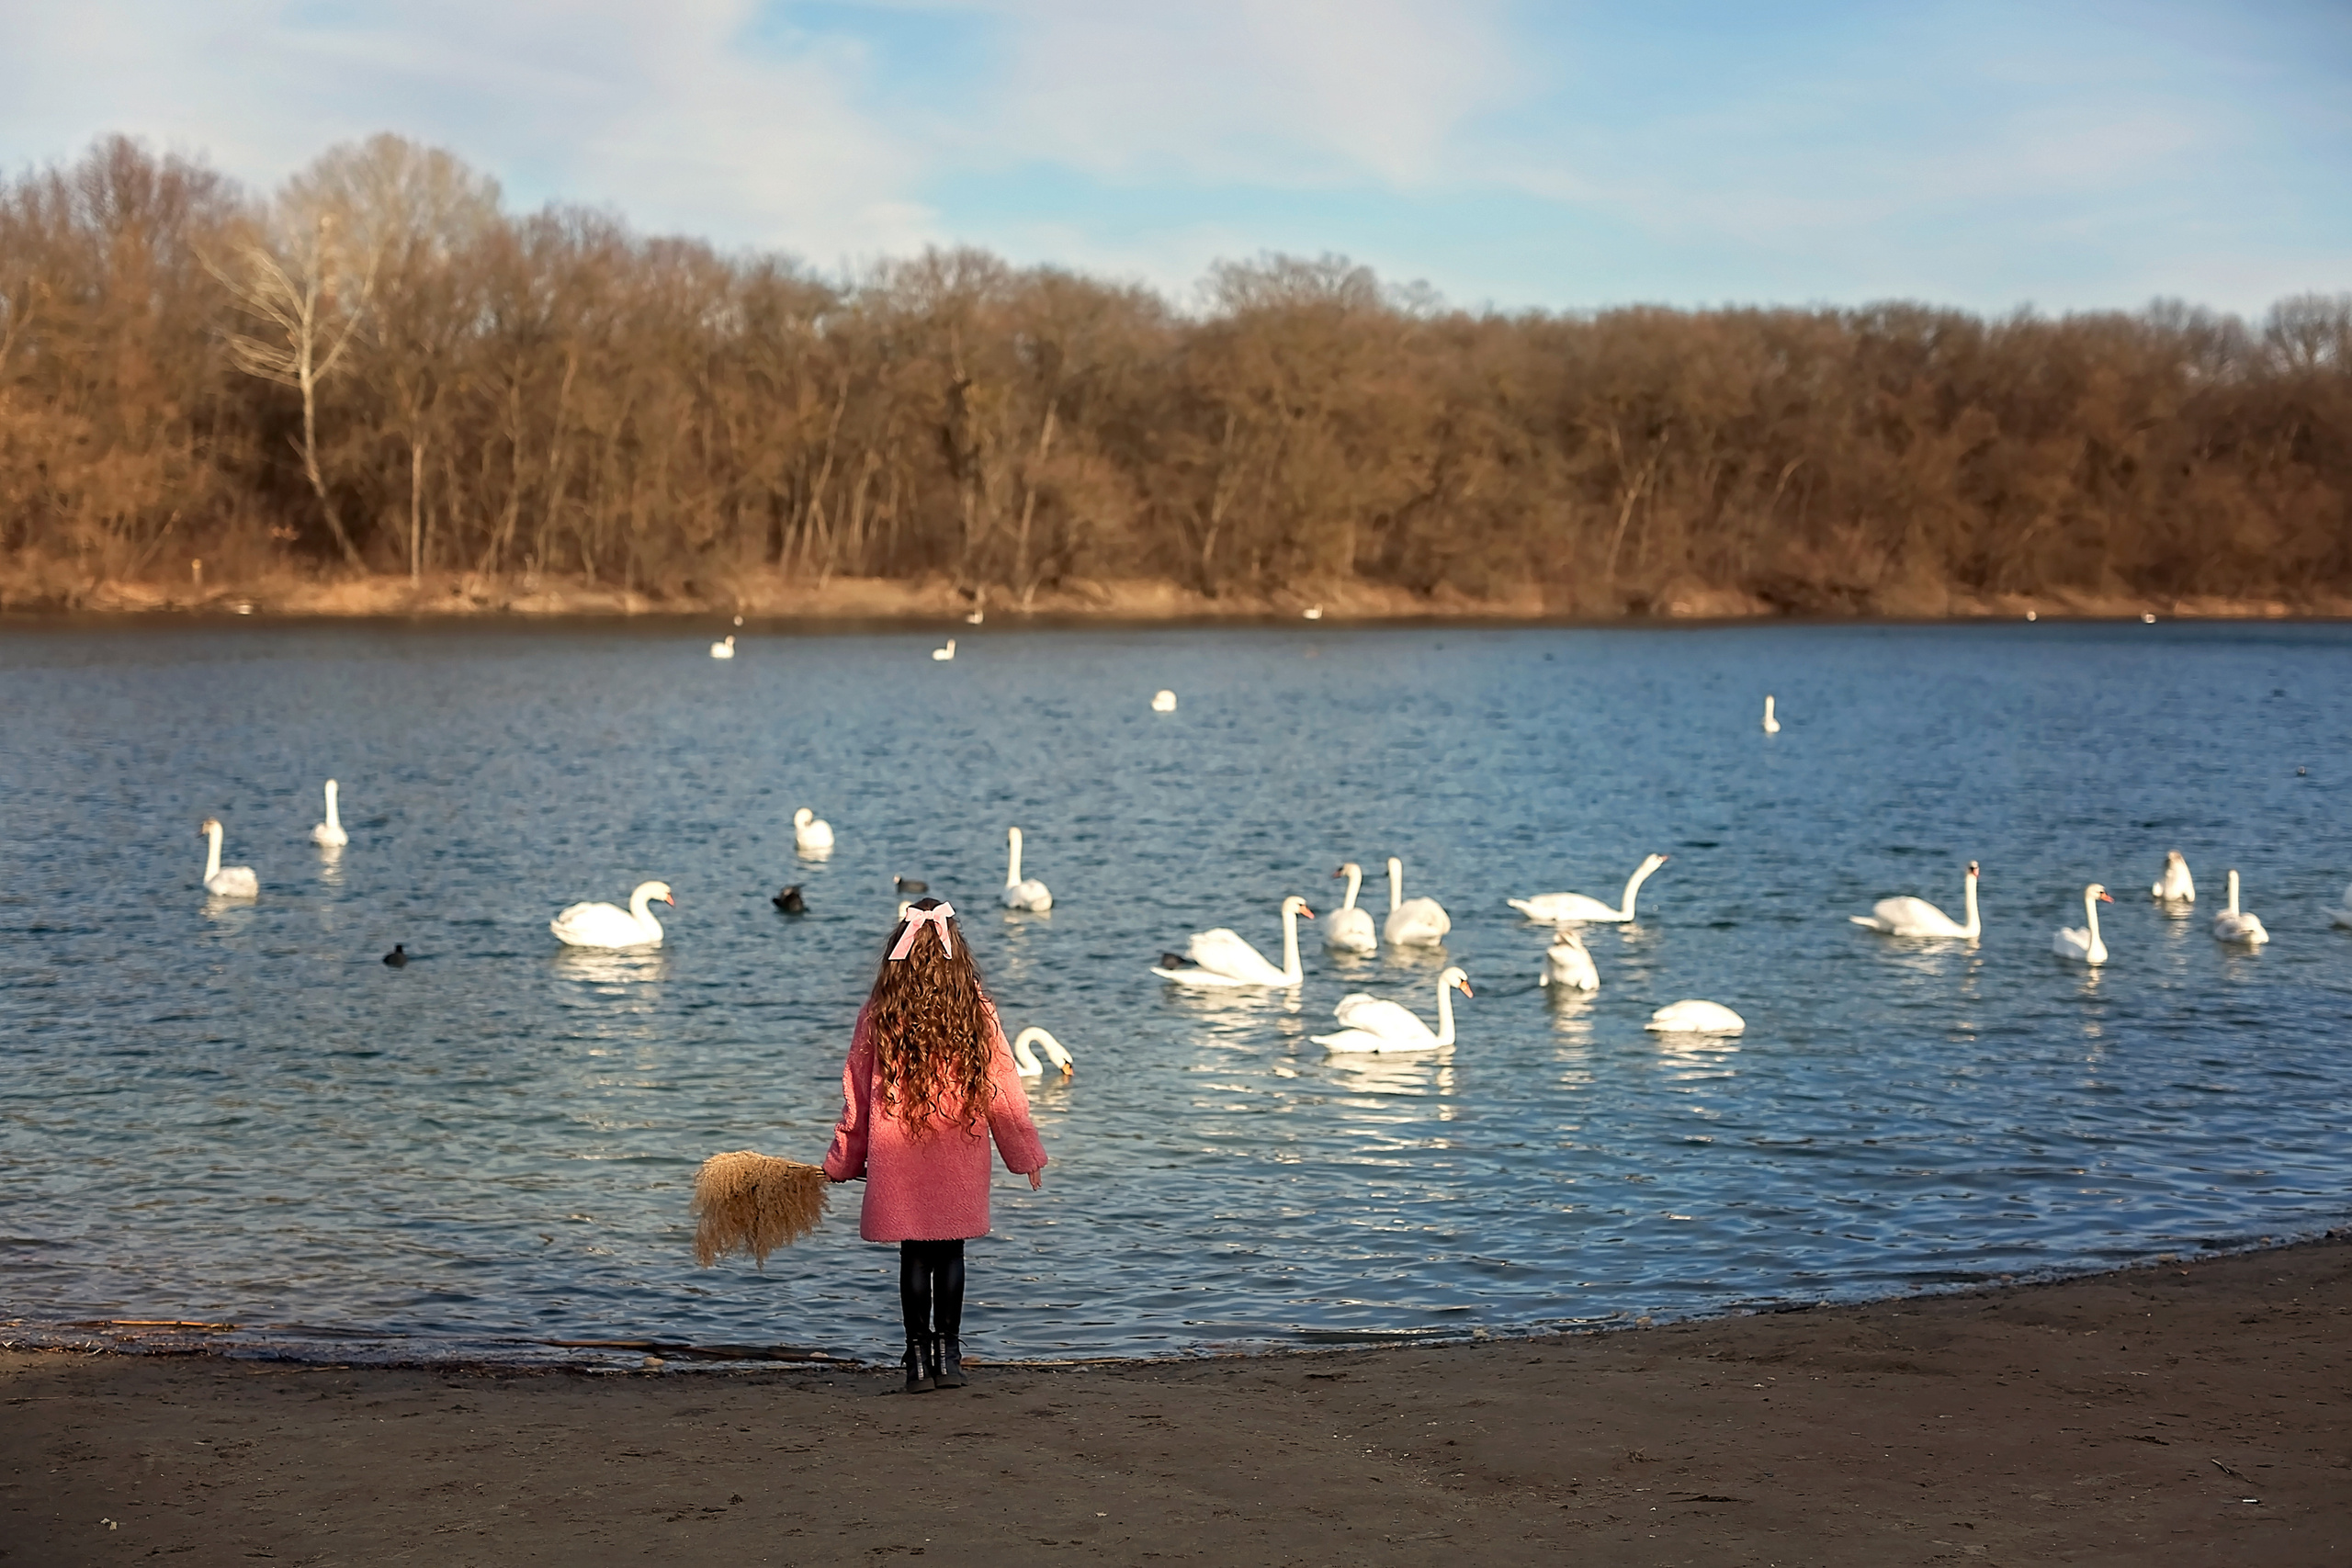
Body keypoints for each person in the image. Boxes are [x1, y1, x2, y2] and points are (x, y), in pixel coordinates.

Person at [823, 897, 1048, 1392]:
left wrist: (843, 1161)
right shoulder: (977, 1011)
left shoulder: (879, 1013)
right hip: (959, 1149)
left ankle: (916, 1361)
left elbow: (856, 1096)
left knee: (914, 1256)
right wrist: (1025, 1153)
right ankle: (950, 1358)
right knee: (951, 1254)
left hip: (899, 1153)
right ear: (955, 949)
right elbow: (1004, 1088)